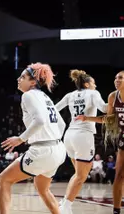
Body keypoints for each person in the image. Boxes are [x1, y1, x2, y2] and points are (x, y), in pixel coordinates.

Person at [0, 63, 66, 214]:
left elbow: (40, 121)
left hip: (43, 150)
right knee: (42, 188)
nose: (18, 79)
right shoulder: (45, 97)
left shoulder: (28, 95)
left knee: (4, 180)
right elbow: (61, 124)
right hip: (59, 149)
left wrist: (20, 139)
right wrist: (52, 141)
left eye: (23, 77)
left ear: (33, 82)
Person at [55, 69, 107, 214]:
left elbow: (53, 110)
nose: (95, 86)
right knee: (82, 176)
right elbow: (104, 108)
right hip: (83, 135)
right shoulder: (93, 93)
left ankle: (65, 201)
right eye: (93, 83)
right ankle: (66, 207)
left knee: (78, 174)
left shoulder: (70, 95)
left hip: (69, 135)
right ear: (86, 84)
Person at [75, 71, 124, 214]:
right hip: (123, 138)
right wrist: (87, 118)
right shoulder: (113, 97)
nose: (116, 80)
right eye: (115, 78)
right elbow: (108, 120)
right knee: (119, 175)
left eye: (120, 78)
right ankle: (116, 211)